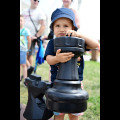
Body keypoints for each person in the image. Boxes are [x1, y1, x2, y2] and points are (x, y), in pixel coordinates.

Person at [44, 8, 99, 120]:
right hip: (57, 83)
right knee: (58, 113)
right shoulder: (52, 43)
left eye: (65, 26)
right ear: (52, 28)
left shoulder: (77, 41)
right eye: (57, 26)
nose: (61, 29)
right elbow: (49, 59)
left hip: (76, 84)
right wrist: (57, 58)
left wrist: (79, 35)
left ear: (73, 28)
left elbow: (95, 45)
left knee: (74, 113)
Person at [22, 0, 46, 67]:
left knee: (29, 55)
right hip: (22, 37)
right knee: (23, 55)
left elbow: (43, 25)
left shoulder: (40, 12)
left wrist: (36, 36)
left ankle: (29, 72)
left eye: (38, 1)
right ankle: (25, 72)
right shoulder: (24, 11)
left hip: (31, 38)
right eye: (35, 0)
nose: (36, 2)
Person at [20, 15, 31, 81]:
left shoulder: (26, 30)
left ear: (24, 22)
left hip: (23, 50)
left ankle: (25, 80)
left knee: (24, 65)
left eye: (21, 20)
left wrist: (28, 49)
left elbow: (29, 40)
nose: (20, 22)